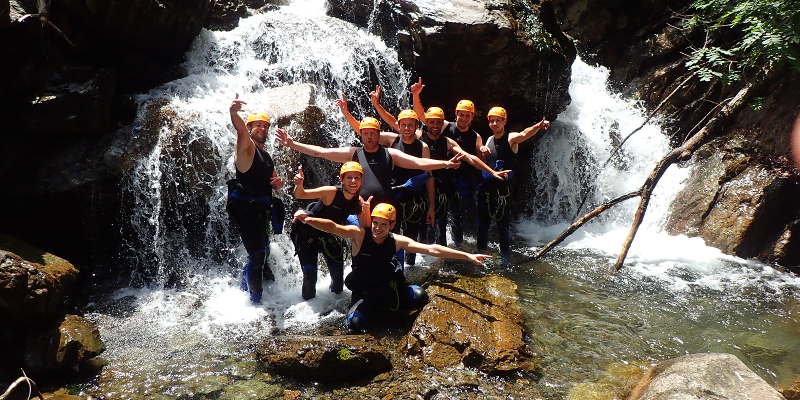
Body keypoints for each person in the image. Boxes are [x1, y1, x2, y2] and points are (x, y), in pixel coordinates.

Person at [294, 202, 491, 333]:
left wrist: (467, 255)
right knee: (355, 326)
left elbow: (432, 249)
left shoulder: (396, 241)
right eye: (375, 223)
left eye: (383, 225)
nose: (378, 228)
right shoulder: (360, 235)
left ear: (392, 224)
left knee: (421, 297)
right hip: (365, 293)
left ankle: (389, 311)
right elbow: (333, 227)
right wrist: (308, 219)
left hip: (388, 289)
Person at [275, 104, 465, 211]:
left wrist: (446, 163)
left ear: (378, 134)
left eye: (373, 133)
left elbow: (419, 162)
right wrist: (292, 144)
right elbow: (320, 152)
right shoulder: (354, 153)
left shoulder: (390, 153)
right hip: (361, 209)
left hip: (387, 206)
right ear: (361, 135)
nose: (369, 136)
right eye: (365, 133)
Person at [227, 94, 284, 304]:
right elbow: (240, 130)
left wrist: (279, 183)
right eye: (256, 125)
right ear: (250, 128)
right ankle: (255, 303)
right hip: (246, 211)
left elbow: (274, 181)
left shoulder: (266, 156)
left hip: (261, 211)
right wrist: (233, 113)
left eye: (264, 126)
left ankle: (245, 286)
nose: (261, 128)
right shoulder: (247, 147)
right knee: (258, 255)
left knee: (263, 251)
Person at [479, 106, 551, 264]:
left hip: (503, 191)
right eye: (492, 121)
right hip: (487, 188)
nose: (494, 123)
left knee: (503, 225)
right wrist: (483, 152)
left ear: (504, 121)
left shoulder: (511, 138)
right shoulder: (490, 139)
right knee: (483, 223)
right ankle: (480, 253)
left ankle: (505, 258)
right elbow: (485, 163)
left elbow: (525, 134)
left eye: (498, 120)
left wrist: (538, 126)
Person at [290, 162, 367, 300]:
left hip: (328, 234)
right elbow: (300, 194)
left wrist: (366, 211)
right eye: (349, 177)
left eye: (357, 178)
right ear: (341, 179)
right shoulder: (330, 192)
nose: (353, 181)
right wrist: (299, 184)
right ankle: (309, 311)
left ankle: (334, 304)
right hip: (307, 234)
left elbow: (364, 227)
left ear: (362, 180)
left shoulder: (358, 201)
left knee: (338, 277)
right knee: (310, 276)